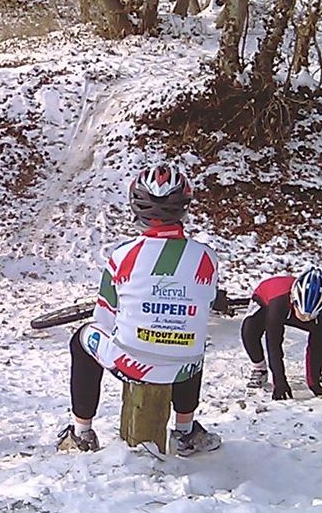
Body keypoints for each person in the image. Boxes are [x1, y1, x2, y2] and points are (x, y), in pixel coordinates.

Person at [57, 163, 222, 457]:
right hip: (185, 367)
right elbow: (205, 303)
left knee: (81, 339)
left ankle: (81, 431)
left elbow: (104, 317)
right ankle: (185, 432)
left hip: (132, 365)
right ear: (184, 208)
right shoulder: (207, 257)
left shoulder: (122, 255)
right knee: (188, 330)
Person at [242, 266, 322, 398]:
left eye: (310, 317)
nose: (306, 319)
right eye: (302, 314)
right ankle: (259, 368)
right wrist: (279, 382)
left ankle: (317, 372)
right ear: (294, 301)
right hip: (266, 300)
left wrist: (313, 381)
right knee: (249, 329)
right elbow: (273, 344)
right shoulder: (279, 303)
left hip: (292, 308)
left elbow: (317, 342)